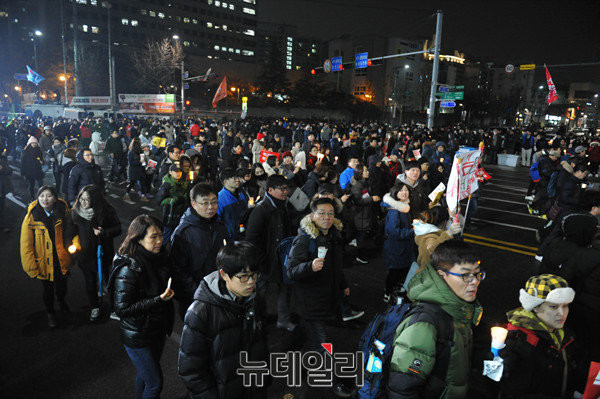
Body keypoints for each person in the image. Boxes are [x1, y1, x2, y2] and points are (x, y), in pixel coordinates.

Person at [387, 240, 484, 398]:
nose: (475, 282)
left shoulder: (459, 308)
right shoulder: (424, 323)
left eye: (477, 274)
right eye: (465, 275)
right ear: (442, 275)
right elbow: (402, 390)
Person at [177, 242, 269, 398]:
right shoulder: (200, 313)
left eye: (254, 275)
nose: (251, 282)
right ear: (224, 274)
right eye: (243, 276)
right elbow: (190, 370)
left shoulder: (255, 298)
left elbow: (260, 341)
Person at [286, 197, 354, 397]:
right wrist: (310, 266)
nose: (327, 217)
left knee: (307, 333)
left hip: (327, 297)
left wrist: (343, 285)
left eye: (331, 213)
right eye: (322, 213)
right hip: (310, 301)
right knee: (323, 343)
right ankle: (334, 381)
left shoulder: (333, 236)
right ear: (312, 215)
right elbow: (290, 271)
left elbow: (336, 266)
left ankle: (290, 354)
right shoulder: (304, 239)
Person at [109, 215, 175, 399]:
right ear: (138, 238)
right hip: (137, 335)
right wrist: (158, 300)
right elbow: (122, 309)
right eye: (153, 237)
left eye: (161, 236)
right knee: (155, 383)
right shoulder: (129, 268)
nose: (159, 241)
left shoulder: (160, 258)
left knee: (145, 376)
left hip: (156, 329)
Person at [499, 274, 578, 398]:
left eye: (565, 306)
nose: (561, 313)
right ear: (535, 307)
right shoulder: (518, 342)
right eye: (553, 307)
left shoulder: (563, 335)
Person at [169, 183, 229, 319]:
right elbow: (177, 270)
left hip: (218, 291)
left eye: (214, 202)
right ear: (193, 204)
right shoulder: (182, 233)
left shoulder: (220, 227)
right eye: (205, 203)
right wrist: (198, 292)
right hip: (194, 296)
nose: (210, 207)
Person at [245, 174, 296, 330]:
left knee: (285, 288)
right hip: (265, 260)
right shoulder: (260, 210)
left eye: (286, 188)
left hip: (282, 257)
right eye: (282, 189)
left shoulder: (284, 206)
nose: (285, 191)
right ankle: (258, 320)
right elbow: (252, 239)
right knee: (259, 292)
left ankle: (283, 319)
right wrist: (260, 262)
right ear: (270, 190)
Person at [20, 186, 75, 328]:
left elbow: (71, 231)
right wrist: (30, 265)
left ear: (55, 198)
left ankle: (62, 301)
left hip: (61, 257)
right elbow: (26, 244)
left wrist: (75, 247)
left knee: (62, 286)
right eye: (42, 196)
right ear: (38, 198)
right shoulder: (32, 216)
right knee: (48, 289)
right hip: (44, 260)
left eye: (49, 196)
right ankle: (50, 313)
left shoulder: (63, 211)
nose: (45, 199)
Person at [67, 185, 121, 321]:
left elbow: (118, 228)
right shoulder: (75, 213)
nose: (82, 203)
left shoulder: (106, 211)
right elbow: (69, 233)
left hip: (104, 253)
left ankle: (114, 308)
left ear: (95, 200)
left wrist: (104, 232)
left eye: (87, 200)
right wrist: (73, 250)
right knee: (90, 282)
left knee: (110, 282)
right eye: (81, 199)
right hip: (85, 255)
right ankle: (94, 307)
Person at [382, 183, 413, 301]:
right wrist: (412, 231)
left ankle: (396, 289)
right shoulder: (395, 210)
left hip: (403, 246)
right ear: (395, 193)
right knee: (394, 271)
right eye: (401, 191)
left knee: (401, 270)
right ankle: (388, 292)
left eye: (406, 190)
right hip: (395, 247)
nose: (404, 192)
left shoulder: (404, 206)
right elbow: (395, 232)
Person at [156, 164, 189, 241]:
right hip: (170, 216)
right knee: (166, 237)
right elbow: (159, 200)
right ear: (170, 172)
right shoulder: (167, 184)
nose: (178, 173)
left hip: (180, 215)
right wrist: (173, 200)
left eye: (180, 171)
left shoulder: (183, 183)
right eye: (176, 171)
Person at [217, 168, 248, 240]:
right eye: (234, 178)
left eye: (237, 177)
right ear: (225, 181)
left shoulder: (241, 193)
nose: (237, 180)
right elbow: (217, 221)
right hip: (230, 238)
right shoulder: (220, 198)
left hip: (243, 234)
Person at [20, 136, 45, 200]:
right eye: (33, 143)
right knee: (31, 185)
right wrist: (23, 172)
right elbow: (22, 162)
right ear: (29, 143)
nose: (34, 144)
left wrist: (42, 162)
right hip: (29, 171)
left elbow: (41, 158)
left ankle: (41, 196)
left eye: (35, 143)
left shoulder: (39, 150)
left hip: (38, 170)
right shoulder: (25, 151)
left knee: (41, 184)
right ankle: (32, 196)